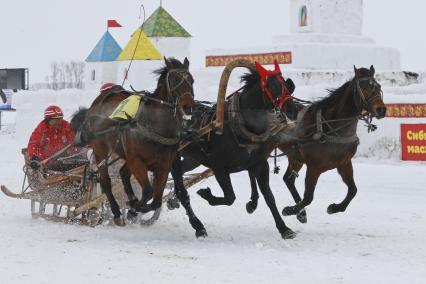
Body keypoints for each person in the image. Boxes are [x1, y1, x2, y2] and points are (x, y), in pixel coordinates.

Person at [27, 105, 83, 172]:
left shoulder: (66, 126)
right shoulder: (42, 130)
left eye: (60, 118)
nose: (59, 121)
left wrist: (79, 150)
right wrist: (34, 158)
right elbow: (33, 144)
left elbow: (74, 141)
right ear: (48, 120)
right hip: (47, 161)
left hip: (64, 158)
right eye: (56, 119)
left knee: (81, 164)